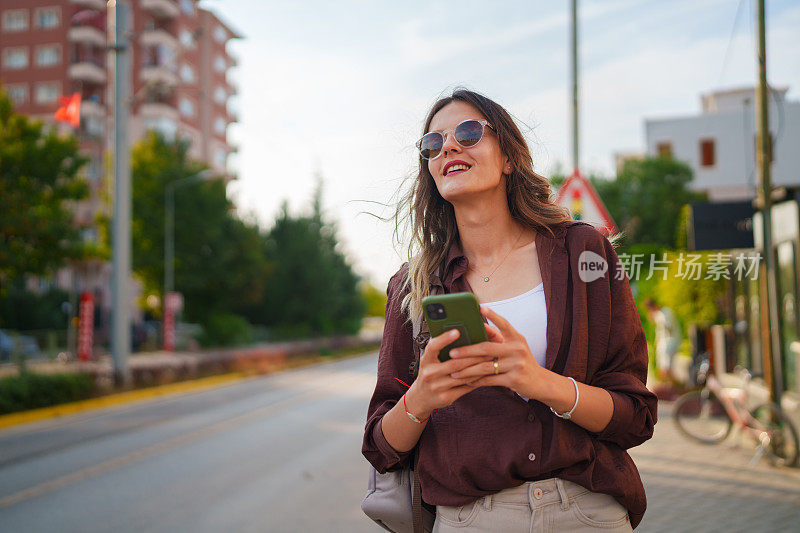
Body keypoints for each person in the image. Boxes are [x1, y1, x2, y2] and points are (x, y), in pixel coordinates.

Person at [362, 88, 657, 531]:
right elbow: (380, 446)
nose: (450, 147)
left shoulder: (583, 253)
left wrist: (537, 382)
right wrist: (422, 395)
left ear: (508, 157)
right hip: (470, 520)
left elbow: (635, 416)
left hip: (585, 511)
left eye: (468, 132)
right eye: (433, 143)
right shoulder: (412, 285)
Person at [644, 298, 682, 382]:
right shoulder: (659, 315)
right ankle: (672, 387)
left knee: (666, 369)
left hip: (670, 343)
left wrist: (656, 317)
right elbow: (660, 331)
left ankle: (675, 387)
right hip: (664, 345)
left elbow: (668, 328)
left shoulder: (666, 312)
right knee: (663, 368)